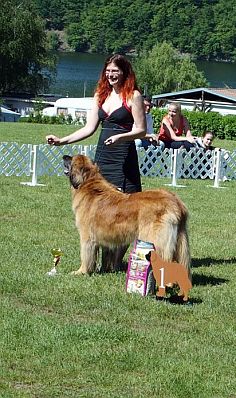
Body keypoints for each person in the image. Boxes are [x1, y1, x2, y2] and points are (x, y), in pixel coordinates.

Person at [46, 54, 146, 270]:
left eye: (115, 71)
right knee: (100, 211)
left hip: (123, 156)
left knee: (123, 211)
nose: (111, 74)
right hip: (103, 157)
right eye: (108, 70)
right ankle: (95, 263)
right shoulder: (101, 95)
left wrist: (121, 136)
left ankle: (114, 263)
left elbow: (141, 129)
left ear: (124, 72)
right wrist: (62, 141)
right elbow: (89, 128)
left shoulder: (134, 96)